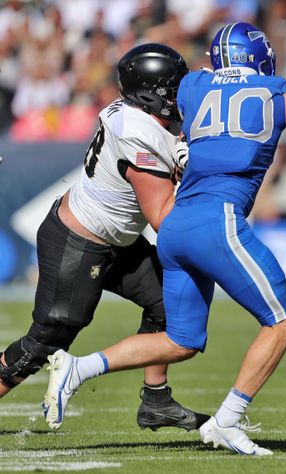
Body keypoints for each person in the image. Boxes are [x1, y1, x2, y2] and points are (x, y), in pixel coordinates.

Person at [43, 22, 286, 456]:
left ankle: (77, 369)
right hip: (217, 221)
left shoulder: (193, 86)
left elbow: (147, 101)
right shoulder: (274, 98)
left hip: (174, 226)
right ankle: (228, 422)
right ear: (257, 57)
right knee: (285, 320)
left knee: (181, 341)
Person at [0, 43, 208, 431]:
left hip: (116, 240)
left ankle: (156, 401)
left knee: (170, 305)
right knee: (43, 344)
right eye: (172, 89)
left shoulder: (137, 115)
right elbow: (165, 219)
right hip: (78, 245)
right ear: (150, 95)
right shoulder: (140, 136)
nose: (180, 96)